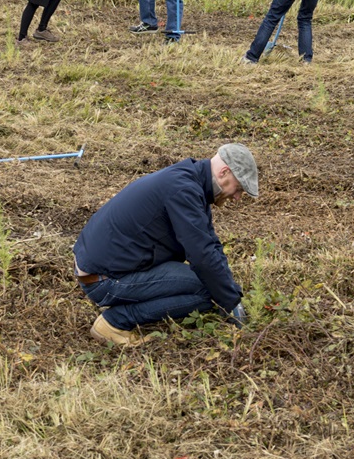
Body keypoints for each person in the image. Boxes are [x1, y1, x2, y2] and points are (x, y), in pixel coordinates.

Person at [72, 143, 259, 347]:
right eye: (239, 188)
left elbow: (209, 244)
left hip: (106, 269)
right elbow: (202, 257)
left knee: (215, 284)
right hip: (104, 281)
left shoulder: (189, 180)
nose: (238, 197)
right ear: (224, 172)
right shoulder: (183, 190)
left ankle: (126, 306)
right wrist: (231, 303)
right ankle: (115, 322)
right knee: (209, 291)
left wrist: (232, 291)